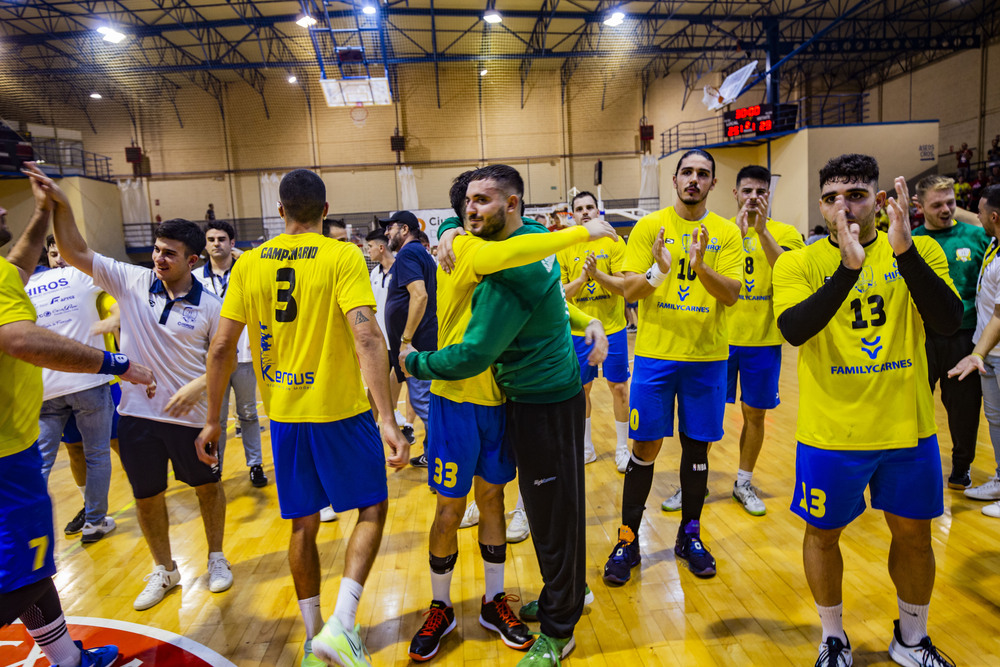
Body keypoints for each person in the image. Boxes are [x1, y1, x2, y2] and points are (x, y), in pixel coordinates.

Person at [197, 169, 409, 667]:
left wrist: (212, 419)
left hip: (285, 417)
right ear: (326, 209)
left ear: (280, 210)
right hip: (340, 411)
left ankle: (316, 640)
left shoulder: (248, 265)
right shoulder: (342, 256)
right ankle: (342, 624)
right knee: (372, 509)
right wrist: (387, 417)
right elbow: (367, 336)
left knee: (302, 526)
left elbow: (222, 346)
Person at [404, 164, 608, 667]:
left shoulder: (514, 254)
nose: (471, 211)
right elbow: (549, 290)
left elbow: (480, 349)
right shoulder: (508, 243)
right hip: (471, 400)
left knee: (527, 507)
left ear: (513, 205)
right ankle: (446, 605)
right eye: (464, 205)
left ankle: (547, 620)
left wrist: (411, 361)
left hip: (514, 397)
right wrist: (589, 318)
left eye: (482, 201)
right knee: (457, 508)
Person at [773, 153, 961, 667]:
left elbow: (947, 321)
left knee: (915, 537)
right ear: (821, 204)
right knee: (822, 535)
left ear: (879, 201)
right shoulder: (798, 262)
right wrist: (846, 271)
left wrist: (904, 256)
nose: (843, 208)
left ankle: (912, 638)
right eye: (832, 198)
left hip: (907, 429)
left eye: (855, 195)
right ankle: (833, 637)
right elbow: (794, 329)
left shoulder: (919, 251)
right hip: (831, 432)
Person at [33, 166, 235, 613]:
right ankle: (164, 569)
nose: (159, 259)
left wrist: (199, 386)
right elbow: (74, 249)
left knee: (206, 488)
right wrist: (59, 205)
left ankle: (216, 556)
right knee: (146, 496)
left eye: (170, 254)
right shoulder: (132, 280)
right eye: (158, 251)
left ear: (193, 261)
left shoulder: (213, 305)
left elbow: (226, 361)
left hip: (189, 419)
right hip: (138, 416)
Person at [1, 165, 154, 667]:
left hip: (18, 437)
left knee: (35, 563)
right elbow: (20, 339)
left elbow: (18, 265)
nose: (5, 208)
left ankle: (67, 657)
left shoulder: (7, 272)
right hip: (5, 456)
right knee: (24, 573)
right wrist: (116, 362)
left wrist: (45, 212)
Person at [604, 148, 742, 584]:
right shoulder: (649, 227)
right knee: (644, 449)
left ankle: (690, 534)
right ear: (675, 179)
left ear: (713, 184)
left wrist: (700, 266)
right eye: (687, 172)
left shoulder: (726, 233)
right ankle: (628, 539)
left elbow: (732, 294)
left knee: (697, 448)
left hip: (706, 359)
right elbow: (629, 291)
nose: (694, 179)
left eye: (703, 174)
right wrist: (659, 273)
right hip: (655, 358)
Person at [719, 165, 804, 516]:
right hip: (718, 341)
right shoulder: (720, 230)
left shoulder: (786, 232)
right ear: (735, 194)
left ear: (769, 196)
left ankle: (743, 481)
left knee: (755, 415)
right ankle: (692, 480)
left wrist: (762, 230)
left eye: (760, 192)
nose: (753, 197)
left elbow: (788, 270)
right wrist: (738, 235)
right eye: (747, 191)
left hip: (764, 340)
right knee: (704, 413)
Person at [28, 235, 120, 542]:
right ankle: (95, 521)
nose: (59, 258)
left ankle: (29, 523)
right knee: (96, 454)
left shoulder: (24, 284)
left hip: (45, 387)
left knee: (41, 461)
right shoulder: (82, 275)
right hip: (88, 380)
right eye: (53, 253)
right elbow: (127, 282)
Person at [911, 175, 989, 489]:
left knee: (964, 408)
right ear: (919, 207)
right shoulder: (909, 242)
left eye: (950, 202)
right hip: (921, 337)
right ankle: (911, 462)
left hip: (964, 337)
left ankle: (961, 467)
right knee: (913, 403)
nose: (946, 210)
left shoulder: (978, 237)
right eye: (937, 204)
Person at [557, 191, 631, 471]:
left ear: (598, 212)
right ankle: (586, 447)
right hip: (579, 332)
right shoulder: (565, 246)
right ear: (572, 215)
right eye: (579, 208)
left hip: (613, 329)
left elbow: (625, 287)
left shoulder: (613, 241)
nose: (585, 212)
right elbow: (560, 294)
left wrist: (598, 275)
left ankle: (622, 448)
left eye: (590, 207)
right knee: (580, 390)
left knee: (620, 388)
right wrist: (583, 278)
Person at [196, 220, 266, 487]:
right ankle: (217, 466)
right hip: (213, 359)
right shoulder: (196, 278)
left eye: (222, 239)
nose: (217, 244)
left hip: (247, 355)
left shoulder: (248, 272)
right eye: (211, 239)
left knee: (248, 413)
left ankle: (255, 464)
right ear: (205, 245)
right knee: (217, 417)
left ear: (232, 243)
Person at [949, 184, 1000, 516]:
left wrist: (977, 353)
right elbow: (973, 214)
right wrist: (942, 205)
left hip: (990, 349)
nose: (975, 217)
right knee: (995, 420)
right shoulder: (995, 241)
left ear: (993, 217)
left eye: (980, 212)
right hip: (991, 353)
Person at [382, 210, 437, 468]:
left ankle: (443, 462)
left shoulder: (408, 253)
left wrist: (406, 339)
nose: (385, 233)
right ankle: (432, 454)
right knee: (425, 402)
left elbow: (420, 296)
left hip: (417, 346)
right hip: (423, 343)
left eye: (389, 228)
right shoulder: (419, 254)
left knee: (424, 404)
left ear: (404, 229)